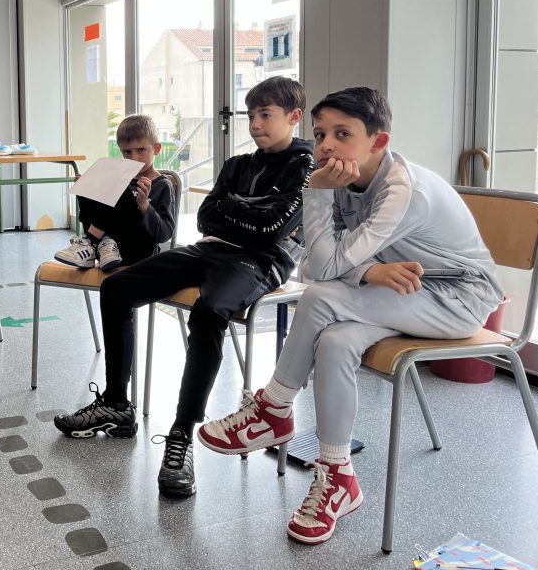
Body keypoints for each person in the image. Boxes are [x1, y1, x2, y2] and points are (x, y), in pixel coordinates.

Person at [198, 87, 502, 545]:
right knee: (335, 341)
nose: (326, 145)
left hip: (456, 298)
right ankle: (338, 475)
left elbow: (322, 272)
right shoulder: (342, 178)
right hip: (399, 290)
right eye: (321, 134)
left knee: (321, 298)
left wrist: (318, 197)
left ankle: (274, 408)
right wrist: (369, 270)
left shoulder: (401, 191)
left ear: (378, 141)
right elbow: (312, 260)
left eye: (343, 134)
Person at [53, 77, 314, 501]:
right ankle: (117, 405)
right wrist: (247, 213)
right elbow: (207, 216)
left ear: (294, 116)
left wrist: (235, 210)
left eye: (266, 115)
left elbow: (272, 230)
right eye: (251, 115)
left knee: (210, 312)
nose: (255, 124)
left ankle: (181, 434)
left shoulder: (306, 166)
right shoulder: (237, 164)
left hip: (262, 260)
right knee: (116, 288)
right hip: (211, 247)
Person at [54, 114, 175, 271]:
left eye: (141, 150)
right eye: (127, 152)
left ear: (156, 149)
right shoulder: (121, 178)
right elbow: (90, 220)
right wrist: (85, 191)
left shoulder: (163, 185)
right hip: (107, 251)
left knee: (116, 185)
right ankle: (90, 246)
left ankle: (89, 242)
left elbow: (164, 235)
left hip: (140, 251)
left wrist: (144, 205)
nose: (134, 158)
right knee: (104, 185)